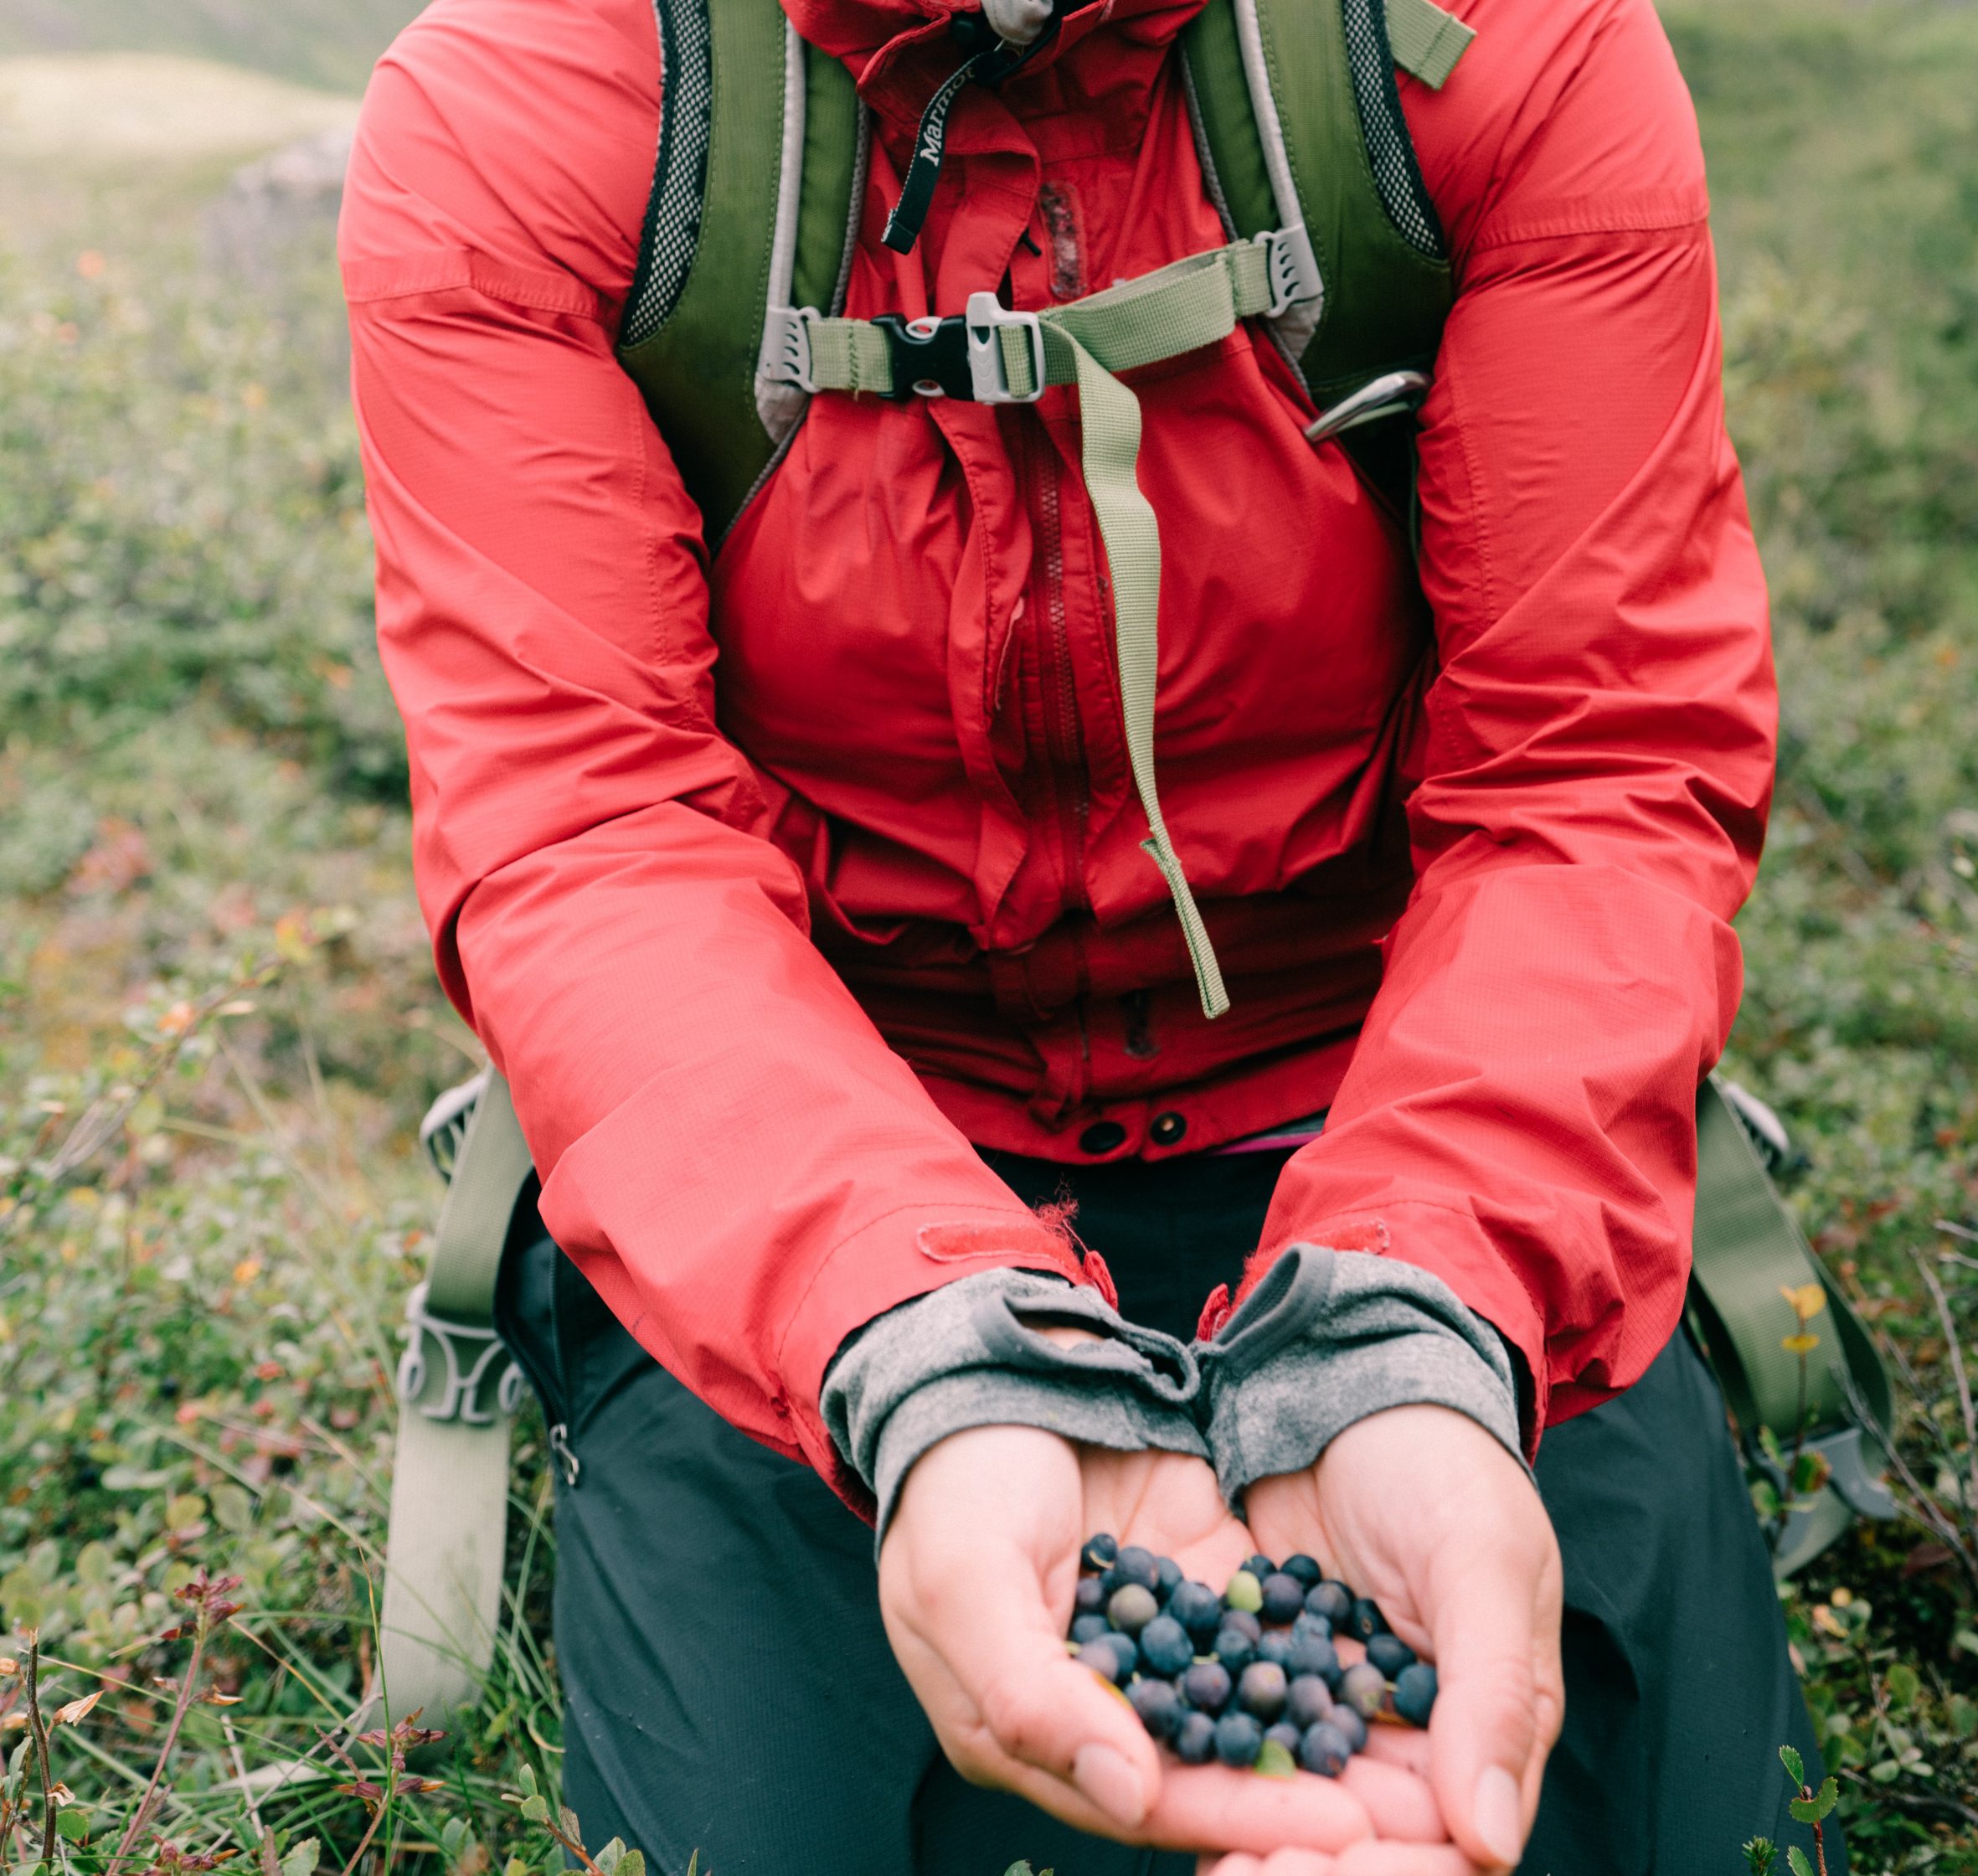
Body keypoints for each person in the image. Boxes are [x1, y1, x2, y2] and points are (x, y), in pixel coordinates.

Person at [341, 0, 1833, 1868]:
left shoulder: (1502, 49)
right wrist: (932, 1358)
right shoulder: (527, 104)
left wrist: (1420, 1323)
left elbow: (1592, 769)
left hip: (1400, 1132)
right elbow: (588, 836)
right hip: (817, 1182)